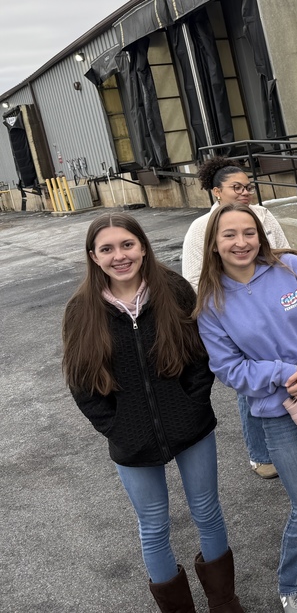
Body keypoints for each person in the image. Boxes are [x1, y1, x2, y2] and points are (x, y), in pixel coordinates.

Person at [62, 213, 243, 613]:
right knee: (154, 527)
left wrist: (193, 405)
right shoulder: (81, 310)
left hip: (191, 426)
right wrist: (117, 428)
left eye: (127, 245)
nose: (119, 256)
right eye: (107, 249)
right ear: (93, 256)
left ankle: (224, 601)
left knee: (207, 512)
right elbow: (81, 382)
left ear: (143, 246)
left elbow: (200, 356)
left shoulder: (173, 289)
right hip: (132, 440)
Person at [195, 204, 297, 613]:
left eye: (249, 233)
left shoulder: (293, 269)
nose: (241, 242)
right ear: (214, 243)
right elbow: (229, 369)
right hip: (279, 412)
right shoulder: (210, 303)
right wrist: (286, 373)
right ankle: (292, 583)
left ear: (261, 236)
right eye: (229, 234)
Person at [182, 156, 289, 480]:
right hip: (232, 316)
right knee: (251, 385)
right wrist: (224, 311)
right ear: (217, 191)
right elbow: (192, 279)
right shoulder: (201, 228)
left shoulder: (264, 216)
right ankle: (261, 454)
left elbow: (285, 253)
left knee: (289, 370)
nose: (245, 192)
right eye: (236, 187)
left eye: (248, 186)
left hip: (275, 308)